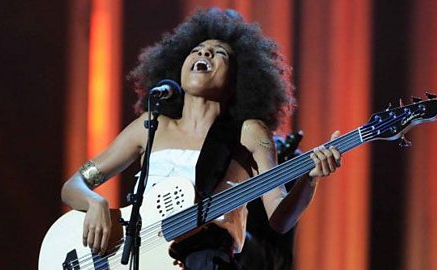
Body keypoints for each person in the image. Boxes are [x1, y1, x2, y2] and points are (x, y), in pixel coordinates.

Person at [61, 8, 341, 270]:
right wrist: (95, 203)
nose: (204, 52)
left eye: (219, 53)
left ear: (237, 79)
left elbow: (279, 218)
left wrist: (309, 179)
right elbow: (73, 185)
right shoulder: (150, 126)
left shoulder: (249, 133)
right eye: (196, 50)